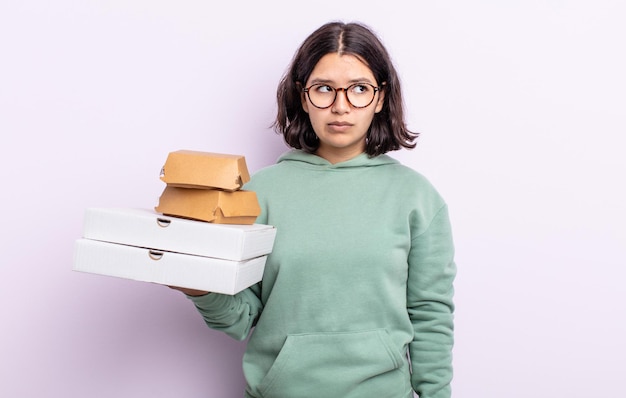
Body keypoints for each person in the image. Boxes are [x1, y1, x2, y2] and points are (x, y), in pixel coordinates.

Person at [172, 21, 456, 398]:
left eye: (358, 89)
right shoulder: (261, 192)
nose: (340, 106)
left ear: (381, 97)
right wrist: (196, 286)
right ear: (303, 97)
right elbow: (240, 318)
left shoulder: (417, 198)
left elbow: (431, 316)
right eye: (324, 89)